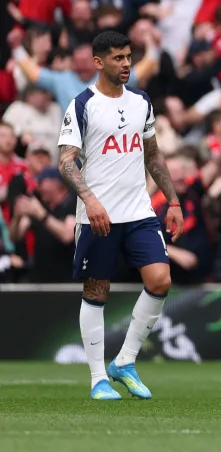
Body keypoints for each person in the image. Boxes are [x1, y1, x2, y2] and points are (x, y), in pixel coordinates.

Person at [57, 31, 183, 401]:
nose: (126, 63)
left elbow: (153, 156)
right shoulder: (82, 104)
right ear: (98, 62)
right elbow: (66, 161)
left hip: (138, 211)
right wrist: (90, 200)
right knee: (97, 291)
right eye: (118, 58)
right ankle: (98, 377)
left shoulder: (142, 101)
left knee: (160, 280)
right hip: (97, 214)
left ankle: (124, 362)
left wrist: (172, 201)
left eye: (129, 57)